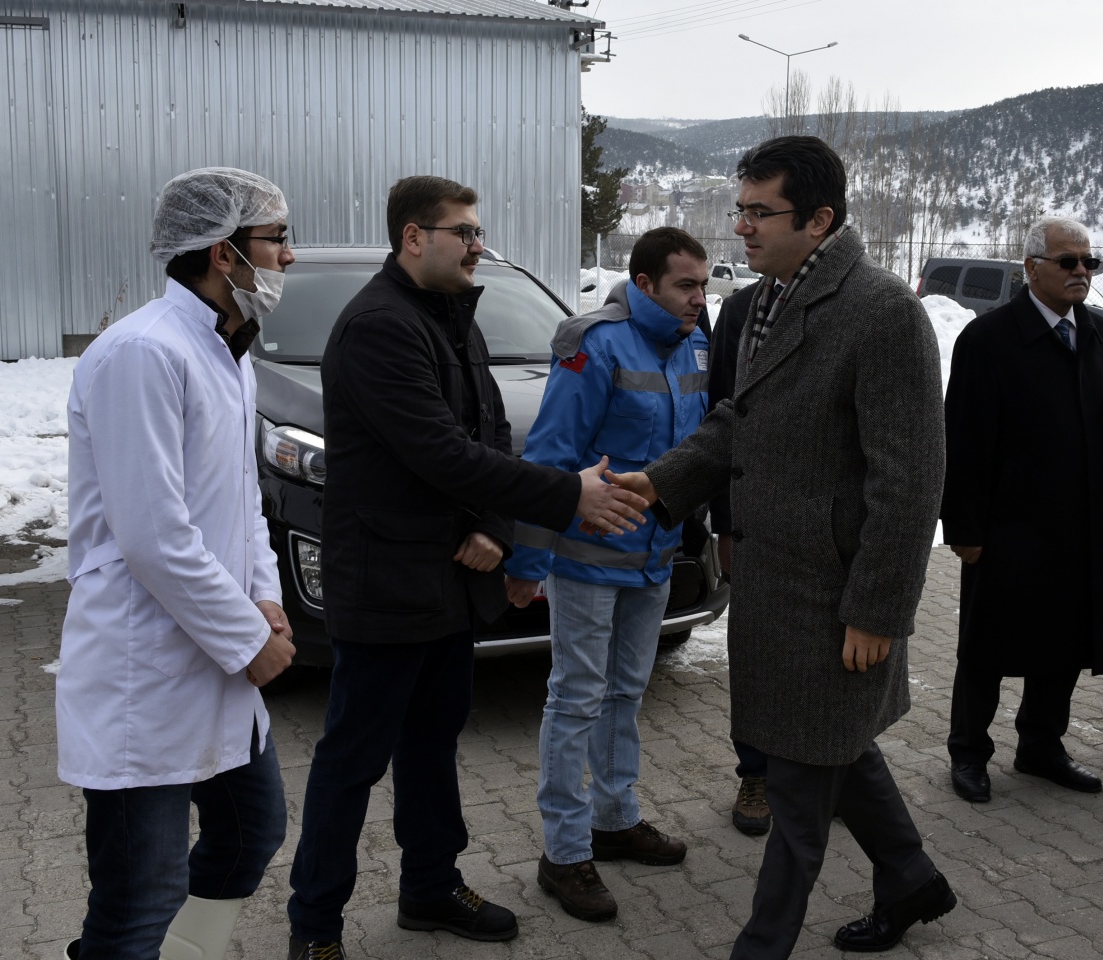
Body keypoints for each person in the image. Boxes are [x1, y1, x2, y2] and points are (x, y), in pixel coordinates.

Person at [285, 176, 650, 960]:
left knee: (432, 744)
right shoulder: (380, 328)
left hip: (446, 581)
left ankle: (429, 887)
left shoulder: (452, 317)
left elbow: (485, 434)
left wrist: (494, 528)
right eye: (465, 231)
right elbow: (436, 452)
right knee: (354, 761)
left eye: (478, 230)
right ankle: (314, 926)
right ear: (414, 237)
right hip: (386, 585)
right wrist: (565, 497)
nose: (478, 243)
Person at [607, 136, 954, 959]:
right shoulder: (763, 299)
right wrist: (659, 483)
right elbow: (739, 420)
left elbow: (909, 483)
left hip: (836, 599)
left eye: (761, 212)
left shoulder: (882, 312)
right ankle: (911, 879)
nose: (742, 229)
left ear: (821, 220)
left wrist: (878, 609)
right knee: (834, 748)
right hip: (774, 582)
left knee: (798, 788)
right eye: (742, 209)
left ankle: (760, 947)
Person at [57, 167, 299, 960]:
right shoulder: (140, 353)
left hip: (215, 650)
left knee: (251, 833)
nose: (289, 256)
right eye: (276, 238)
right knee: (140, 896)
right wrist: (247, 637)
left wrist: (265, 601)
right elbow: (153, 534)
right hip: (148, 667)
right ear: (223, 252)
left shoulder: (229, 353)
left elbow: (239, 503)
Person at [504, 227, 711, 922]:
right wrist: (528, 562)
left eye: (705, 285)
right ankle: (563, 853)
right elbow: (549, 456)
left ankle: (615, 819)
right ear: (645, 283)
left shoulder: (697, 344)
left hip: (653, 562)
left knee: (627, 690)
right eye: (686, 285)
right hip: (587, 562)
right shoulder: (592, 343)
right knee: (576, 698)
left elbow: (695, 453)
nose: (699, 298)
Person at [940, 216, 1103, 803]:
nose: (1081, 273)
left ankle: (1041, 745)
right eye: (1068, 262)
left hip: (1080, 527)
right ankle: (969, 752)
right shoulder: (989, 339)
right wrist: (964, 528)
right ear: (1032, 268)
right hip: (1007, 530)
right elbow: (964, 439)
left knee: (1065, 643)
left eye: (1088, 263)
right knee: (987, 646)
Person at [707, 279, 773, 836]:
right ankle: (756, 774)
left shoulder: (869, 304)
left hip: (831, 527)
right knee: (754, 652)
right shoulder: (741, 309)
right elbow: (723, 416)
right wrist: (724, 524)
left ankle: (841, 775)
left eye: (759, 213)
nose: (744, 228)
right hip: (754, 520)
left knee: (835, 661)